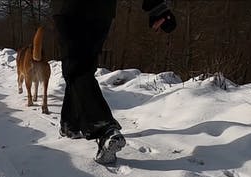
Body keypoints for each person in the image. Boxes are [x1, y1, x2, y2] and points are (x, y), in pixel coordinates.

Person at [51, 0, 176, 164]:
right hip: (101, 10)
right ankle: (70, 123)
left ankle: (104, 129)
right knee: (82, 67)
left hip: (70, 8)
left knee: (76, 67)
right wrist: (156, 7)